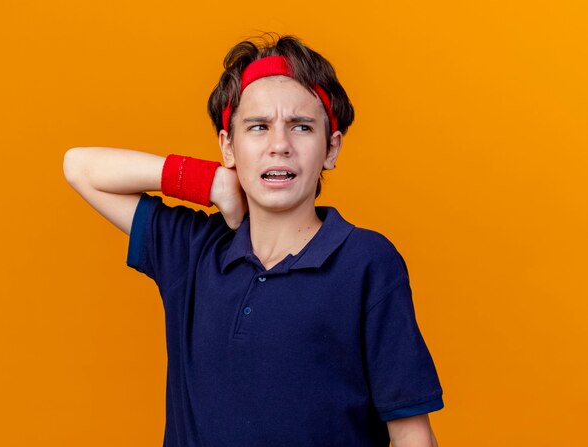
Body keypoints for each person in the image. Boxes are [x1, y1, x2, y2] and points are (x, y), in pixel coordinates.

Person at [63, 34, 443, 447]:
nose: (279, 146)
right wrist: (208, 182)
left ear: (331, 149)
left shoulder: (366, 262)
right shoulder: (196, 252)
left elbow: (411, 434)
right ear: (228, 145)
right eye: (258, 127)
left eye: (301, 127)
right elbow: (81, 167)